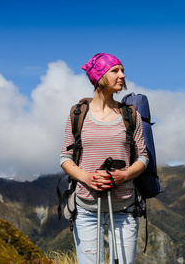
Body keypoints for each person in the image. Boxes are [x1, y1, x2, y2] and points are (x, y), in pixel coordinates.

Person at [60, 53, 148, 264]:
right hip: (86, 208)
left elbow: (143, 157)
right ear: (99, 77)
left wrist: (125, 175)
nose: (122, 76)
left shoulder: (130, 114)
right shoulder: (78, 114)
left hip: (124, 208)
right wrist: (86, 178)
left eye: (123, 70)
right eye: (115, 71)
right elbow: (65, 157)